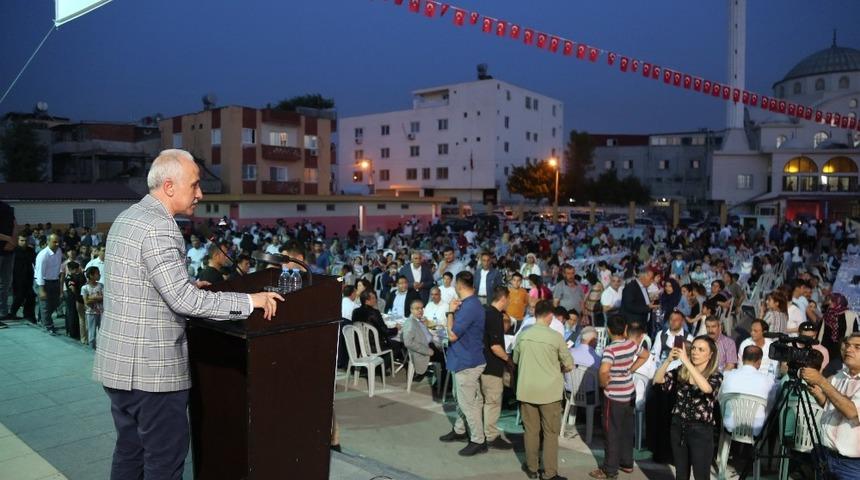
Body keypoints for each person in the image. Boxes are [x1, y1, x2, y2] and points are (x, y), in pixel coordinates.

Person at [92, 149, 283, 479]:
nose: (200, 193)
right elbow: (184, 302)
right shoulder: (160, 227)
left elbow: (142, 284)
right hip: (152, 374)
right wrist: (251, 301)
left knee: (129, 452)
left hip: (119, 367)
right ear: (169, 186)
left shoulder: (128, 217)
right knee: (163, 462)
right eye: (194, 185)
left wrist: (185, 285)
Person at [514, 300, 573, 480]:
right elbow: (569, 365)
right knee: (550, 433)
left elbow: (515, 360)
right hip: (550, 392)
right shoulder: (555, 337)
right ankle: (549, 473)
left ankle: (532, 467)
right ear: (549, 316)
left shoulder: (523, 335)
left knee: (531, 431)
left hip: (526, 389)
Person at [654, 335, 723, 480]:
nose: (695, 352)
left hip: (701, 431)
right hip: (678, 426)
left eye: (701, 350)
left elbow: (706, 389)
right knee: (681, 474)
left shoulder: (715, 376)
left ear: (710, 355)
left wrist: (686, 360)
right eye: (693, 348)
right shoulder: (682, 370)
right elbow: (658, 380)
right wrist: (668, 360)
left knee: (701, 475)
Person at [590, 314, 649, 480]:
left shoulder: (610, 349)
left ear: (608, 330)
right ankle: (627, 463)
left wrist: (604, 384)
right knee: (626, 430)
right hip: (629, 393)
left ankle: (609, 469)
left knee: (611, 432)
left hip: (614, 397)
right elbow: (645, 355)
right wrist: (630, 370)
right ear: (625, 329)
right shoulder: (631, 344)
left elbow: (603, 371)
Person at [439, 271, 488, 457]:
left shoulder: (470, 307)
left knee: (468, 403)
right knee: (460, 398)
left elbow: (452, 334)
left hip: (467, 361)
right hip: (462, 358)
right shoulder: (470, 304)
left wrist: (450, 312)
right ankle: (460, 430)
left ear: (459, 286)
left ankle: (478, 439)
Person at [801, 333, 860, 478]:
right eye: (847, 345)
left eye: (857, 347)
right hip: (826, 455)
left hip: (851, 464)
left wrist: (822, 381)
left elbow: (852, 412)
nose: (849, 349)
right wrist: (820, 395)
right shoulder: (840, 375)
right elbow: (833, 407)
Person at [719, 345, 777, 436]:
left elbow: (721, 399)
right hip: (755, 429)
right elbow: (770, 406)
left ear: (742, 359)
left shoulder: (727, 376)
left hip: (730, 425)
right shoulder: (768, 381)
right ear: (759, 362)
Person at [482, 286, 513, 449]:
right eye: (508, 299)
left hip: (480, 363)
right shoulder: (494, 316)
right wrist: (508, 360)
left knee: (483, 401)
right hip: (492, 366)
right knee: (492, 402)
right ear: (503, 299)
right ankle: (491, 436)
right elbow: (495, 346)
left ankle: (481, 432)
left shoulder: (484, 311)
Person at [401, 298, 445, 381]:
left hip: (430, 344)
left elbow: (428, 333)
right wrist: (427, 351)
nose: (420, 310)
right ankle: (442, 384)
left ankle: (441, 381)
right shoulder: (410, 324)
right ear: (411, 310)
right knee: (446, 359)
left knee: (446, 351)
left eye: (421, 308)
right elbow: (408, 343)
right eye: (417, 309)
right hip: (424, 350)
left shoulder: (419, 320)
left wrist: (426, 324)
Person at [34, 233, 62, 334]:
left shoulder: (59, 251)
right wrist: (41, 289)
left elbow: (58, 266)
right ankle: (48, 326)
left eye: (58, 241)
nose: (57, 244)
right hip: (43, 282)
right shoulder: (43, 255)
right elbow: (40, 273)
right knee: (45, 305)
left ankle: (42, 318)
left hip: (54, 281)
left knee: (55, 303)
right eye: (54, 242)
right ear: (48, 242)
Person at [567, 326, 601, 401]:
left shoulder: (568, 353)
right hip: (589, 397)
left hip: (569, 393)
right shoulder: (597, 359)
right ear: (593, 341)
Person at [10, 234, 36, 322]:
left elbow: (35, 263)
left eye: (25, 240)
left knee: (31, 296)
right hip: (17, 278)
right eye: (22, 240)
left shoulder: (31, 250)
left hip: (29, 277)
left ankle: (28, 315)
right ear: (18, 241)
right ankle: (12, 313)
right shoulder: (14, 251)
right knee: (19, 297)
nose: (24, 243)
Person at [82, 266, 104, 349]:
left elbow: (103, 297)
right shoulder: (85, 288)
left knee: (102, 331)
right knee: (92, 333)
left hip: (101, 312)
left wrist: (92, 297)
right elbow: (86, 302)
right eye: (97, 273)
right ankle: (91, 349)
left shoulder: (101, 286)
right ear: (91, 275)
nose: (99, 275)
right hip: (90, 313)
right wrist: (97, 297)